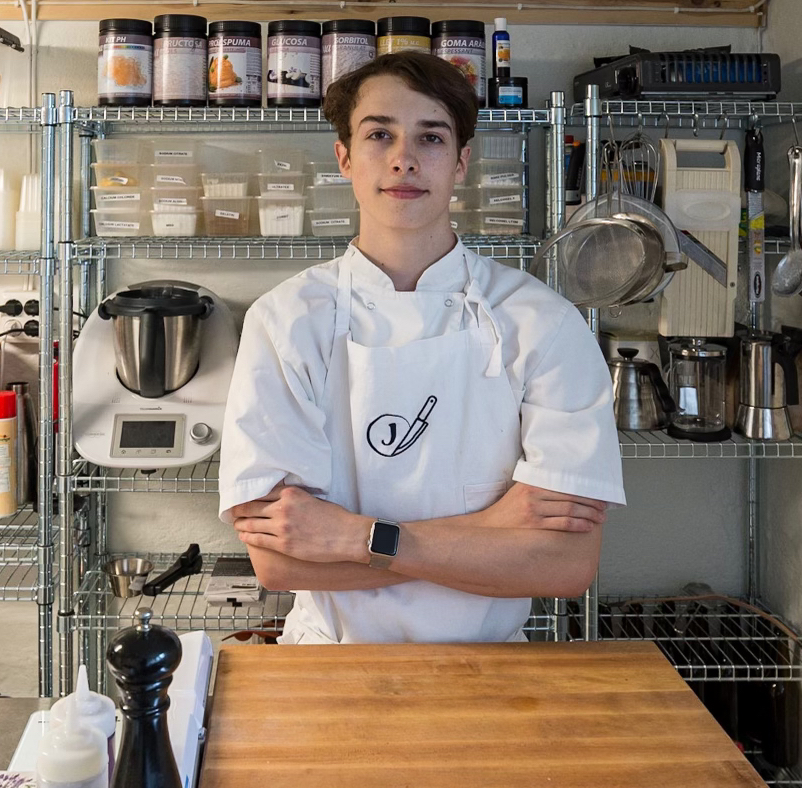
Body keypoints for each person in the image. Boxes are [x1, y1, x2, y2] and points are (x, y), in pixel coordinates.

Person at [218, 52, 626, 644]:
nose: (403, 158)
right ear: (345, 158)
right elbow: (279, 563)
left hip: (490, 664)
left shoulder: (542, 322)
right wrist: (493, 528)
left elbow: (565, 565)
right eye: (379, 134)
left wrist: (349, 537)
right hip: (330, 664)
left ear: (461, 162)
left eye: (430, 137)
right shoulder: (284, 321)